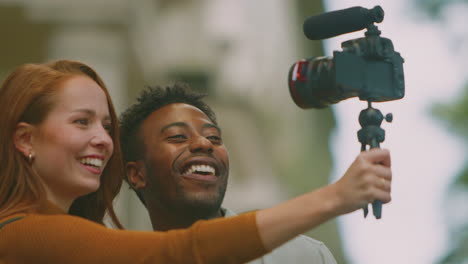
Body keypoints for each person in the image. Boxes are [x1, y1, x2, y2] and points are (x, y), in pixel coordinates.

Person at [0, 60, 392, 264]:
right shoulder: (26, 233)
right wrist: (335, 197)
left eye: (105, 125)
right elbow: (183, 254)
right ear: (25, 139)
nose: (103, 139)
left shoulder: (306, 258)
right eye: (81, 122)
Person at [119, 84, 337, 263]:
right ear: (137, 174)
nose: (204, 143)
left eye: (214, 137)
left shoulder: (303, 257)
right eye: (177, 136)